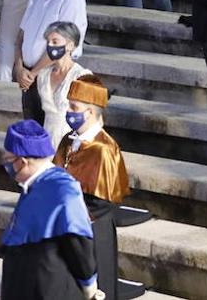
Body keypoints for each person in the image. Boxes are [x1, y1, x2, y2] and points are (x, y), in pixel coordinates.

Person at [0, 120, 103, 300]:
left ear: (22, 162)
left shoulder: (63, 191)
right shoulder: (32, 184)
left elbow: (78, 244)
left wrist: (89, 287)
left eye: (9, 159)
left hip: (46, 286)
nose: (6, 165)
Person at [55, 75, 129, 300]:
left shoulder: (103, 149)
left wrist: (72, 217)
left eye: (73, 106)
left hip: (92, 231)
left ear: (90, 112)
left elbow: (103, 203)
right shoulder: (69, 140)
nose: (69, 110)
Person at [15, 0, 89, 123]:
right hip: (28, 77)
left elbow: (63, 46)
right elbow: (21, 35)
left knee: (53, 133)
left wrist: (33, 73)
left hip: (52, 75)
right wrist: (19, 68)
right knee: (32, 133)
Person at [36, 22, 92, 149]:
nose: (50, 46)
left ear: (70, 45)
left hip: (71, 143)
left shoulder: (81, 75)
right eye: (48, 42)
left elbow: (89, 116)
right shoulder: (43, 75)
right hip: (46, 141)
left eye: (55, 42)